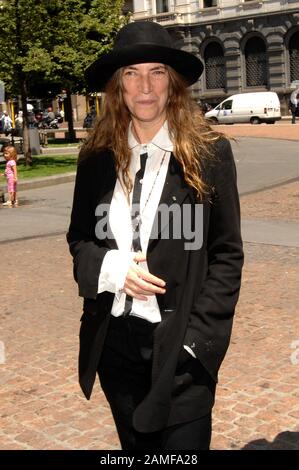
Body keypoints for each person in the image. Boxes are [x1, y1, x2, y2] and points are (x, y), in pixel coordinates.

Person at [67, 21, 244, 450]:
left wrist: (197, 343)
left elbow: (226, 254)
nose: (144, 86)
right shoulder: (95, 159)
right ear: (117, 87)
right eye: (131, 73)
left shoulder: (209, 154)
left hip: (181, 349)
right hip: (115, 344)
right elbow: (78, 240)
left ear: (173, 84)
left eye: (157, 72)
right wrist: (112, 268)